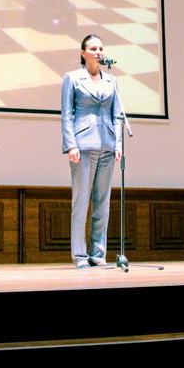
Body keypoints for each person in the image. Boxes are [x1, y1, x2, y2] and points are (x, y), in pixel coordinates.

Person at [61, 34, 123, 269]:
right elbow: (67, 114)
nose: (98, 52)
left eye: (101, 49)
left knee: (102, 202)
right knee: (81, 201)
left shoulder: (111, 80)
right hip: (83, 144)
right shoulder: (72, 78)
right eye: (93, 49)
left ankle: (98, 254)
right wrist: (71, 144)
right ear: (83, 53)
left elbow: (116, 114)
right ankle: (79, 255)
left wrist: (118, 144)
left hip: (107, 143)